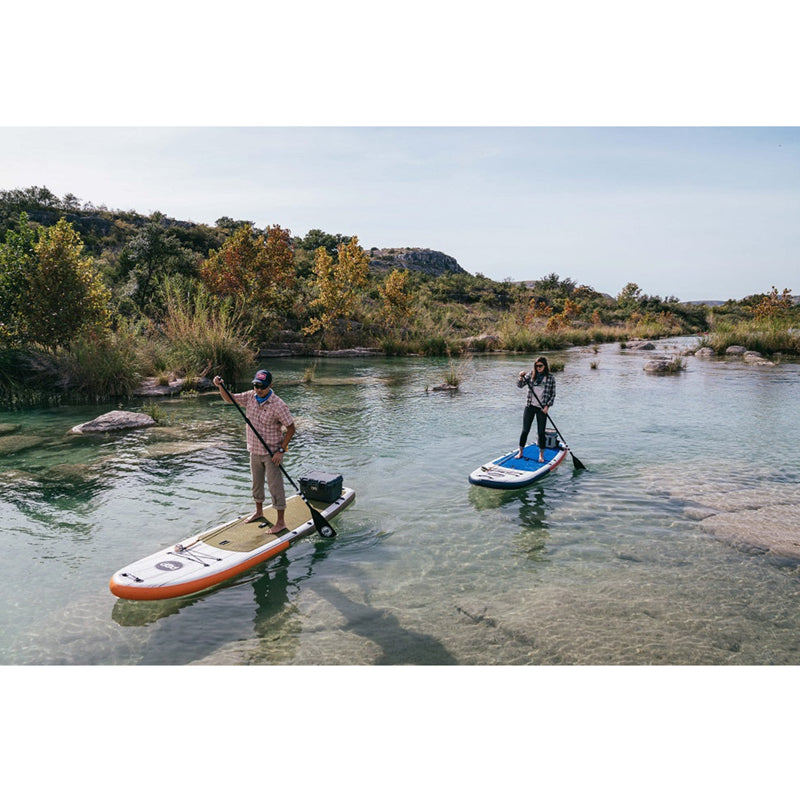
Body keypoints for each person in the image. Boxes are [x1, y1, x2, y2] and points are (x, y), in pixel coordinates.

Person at [213, 369, 296, 532]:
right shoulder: (250, 396)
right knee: (256, 484)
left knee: (275, 487)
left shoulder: (279, 405)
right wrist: (220, 386)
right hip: (254, 450)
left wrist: (281, 450)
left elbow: (291, 428)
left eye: (262, 387)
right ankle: (259, 512)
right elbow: (230, 399)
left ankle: (280, 522)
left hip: (272, 454)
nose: (258, 389)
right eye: (256, 385)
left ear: (270, 385)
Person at [516, 356, 556, 462]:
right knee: (525, 431)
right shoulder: (530, 375)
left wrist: (547, 406)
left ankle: (541, 455)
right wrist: (520, 377)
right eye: (536, 366)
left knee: (541, 432)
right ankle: (520, 452)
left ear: (545, 366)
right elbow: (520, 385)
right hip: (530, 407)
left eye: (540, 366)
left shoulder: (550, 378)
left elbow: (553, 394)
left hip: (541, 408)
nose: (538, 368)